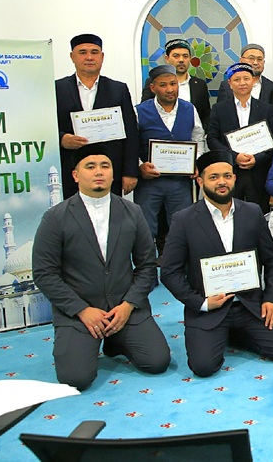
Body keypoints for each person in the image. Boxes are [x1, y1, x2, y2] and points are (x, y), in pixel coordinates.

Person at [31, 148, 170, 390]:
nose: (99, 172)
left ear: (113, 174)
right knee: (76, 379)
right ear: (75, 175)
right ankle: (93, 337)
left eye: (105, 166)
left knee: (157, 362)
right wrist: (82, 310)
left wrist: (128, 305)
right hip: (80, 312)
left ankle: (116, 340)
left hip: (124, 308)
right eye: (90, 166)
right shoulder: (55, 217)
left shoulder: (132, 211)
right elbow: (44, 273)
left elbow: (147, 265)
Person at [159, 150, 273, 376]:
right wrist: (201, 303)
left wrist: (271, 299)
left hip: (249, 305)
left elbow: (272, 261)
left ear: (234, 178)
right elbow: (170, 273)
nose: (222, 182)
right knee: (203, 367)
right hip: (209, 309)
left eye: (227, 176)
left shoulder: (252, 212)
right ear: (200, 181)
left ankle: (234, 333)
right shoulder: (184, 219)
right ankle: (222, 332)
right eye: (214, 177)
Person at [55, 33, 139, 198]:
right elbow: (45, 127)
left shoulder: (118, 89)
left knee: (109, 212)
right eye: (83, 52)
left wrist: (130, 172)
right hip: (70, 170)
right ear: (72, 57)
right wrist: (62, 139)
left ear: (102, 56)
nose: (89, 57)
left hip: (109, 171)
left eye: (94, 52)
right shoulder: (57, 89)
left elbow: (131, 132)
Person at [134, 65, 207, 245]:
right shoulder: (139, 111)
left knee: (181, 227)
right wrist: (139, 165)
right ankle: (148, 262)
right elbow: (130, 145)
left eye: (173, 84)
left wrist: (196, 161)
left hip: (180, 183)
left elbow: (198, 138)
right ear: (153, 87)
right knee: (145, 228)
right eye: (163, 85)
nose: (169, 89)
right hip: (149, 182)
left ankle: (179, 262)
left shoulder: (189, 109)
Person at [207, 62, 273, 213]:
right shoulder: (219, 109)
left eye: (246, 79)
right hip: (230, 172)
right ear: (230, 83)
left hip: (258, 173)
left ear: (253, 81)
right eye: (237, 79)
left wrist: (257, 158)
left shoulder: (266, 109)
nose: (242, 83)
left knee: (259, 214)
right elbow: (212, 139)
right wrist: (234, 157)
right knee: (229, 213)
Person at [142, 38, 211, 126]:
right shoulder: (154, 82)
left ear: (190, 59)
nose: (181, 60)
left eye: (185, 56)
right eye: (176, 56)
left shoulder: (199, 84)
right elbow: (145, 112)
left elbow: (206, 116)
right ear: (167, 59)